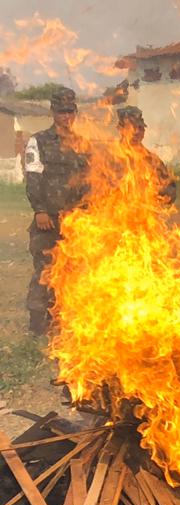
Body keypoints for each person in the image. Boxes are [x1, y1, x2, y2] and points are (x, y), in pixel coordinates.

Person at [24, 86, 88, 335]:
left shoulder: (82, 143)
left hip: (76, 220)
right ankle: (38, 324)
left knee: (72, 270)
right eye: (61, 111)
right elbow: (33, 177)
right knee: (45, 270)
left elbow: (91, 179)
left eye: (70, 111)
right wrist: (39, 210)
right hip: (48, 219)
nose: (66, 116)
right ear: (52, 111)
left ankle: (64, 320)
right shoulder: (38, 141)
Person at [116, 106, 176, 204]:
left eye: (140, 128)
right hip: (115, 215)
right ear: (120, 129)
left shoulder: (153, 161)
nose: (137, 132)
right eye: (132, 128)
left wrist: (157, 190)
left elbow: (171, 192)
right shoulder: (109, 158)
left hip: (145, 216)